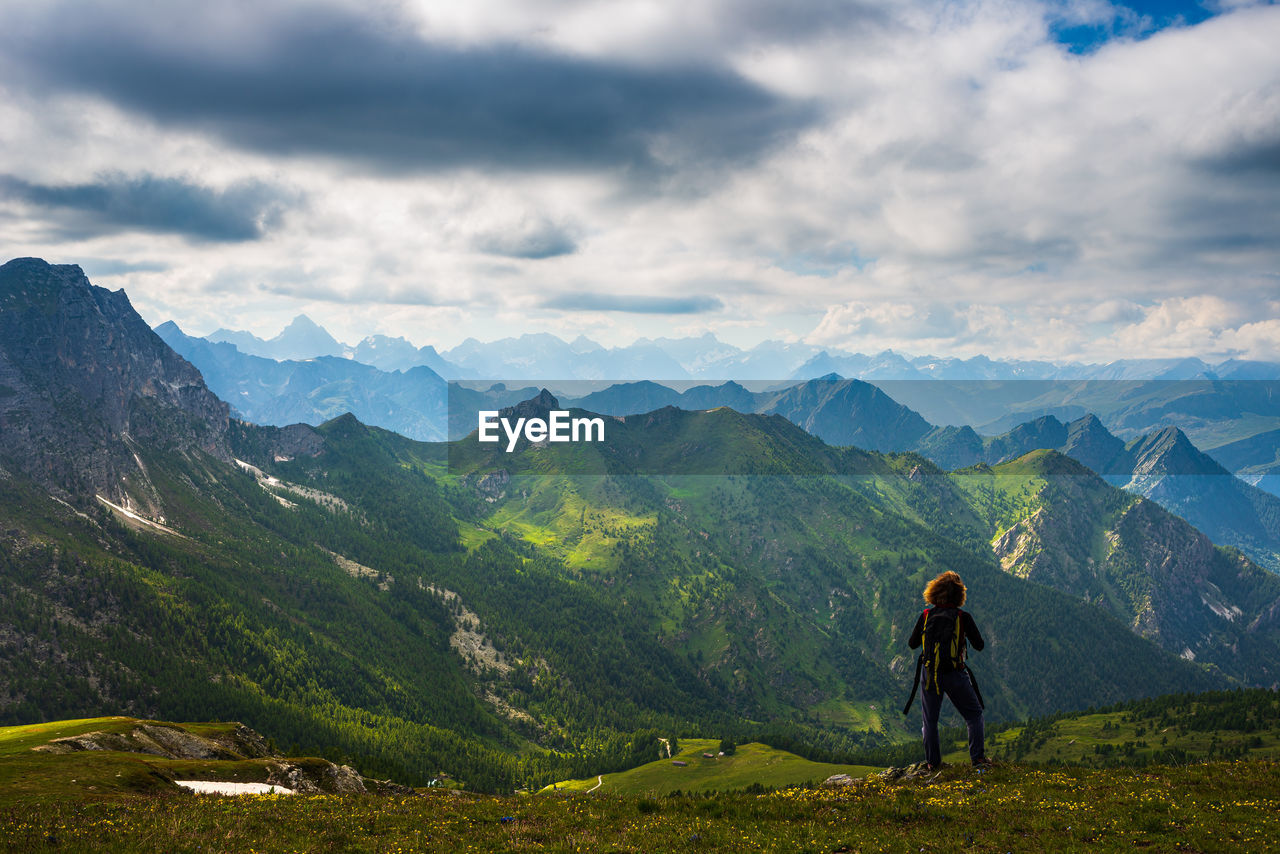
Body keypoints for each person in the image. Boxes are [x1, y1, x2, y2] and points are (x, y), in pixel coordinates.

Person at [906, 570, 990, 769]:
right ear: (960, 594)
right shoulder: (963, 617)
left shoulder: (926, 615)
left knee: (930, 721)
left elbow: (912, 643)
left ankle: (933, 764)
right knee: (973, 715)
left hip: (930, 674)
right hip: (955, 673)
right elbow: (979, 645)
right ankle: (978, 759)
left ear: (934, 592)